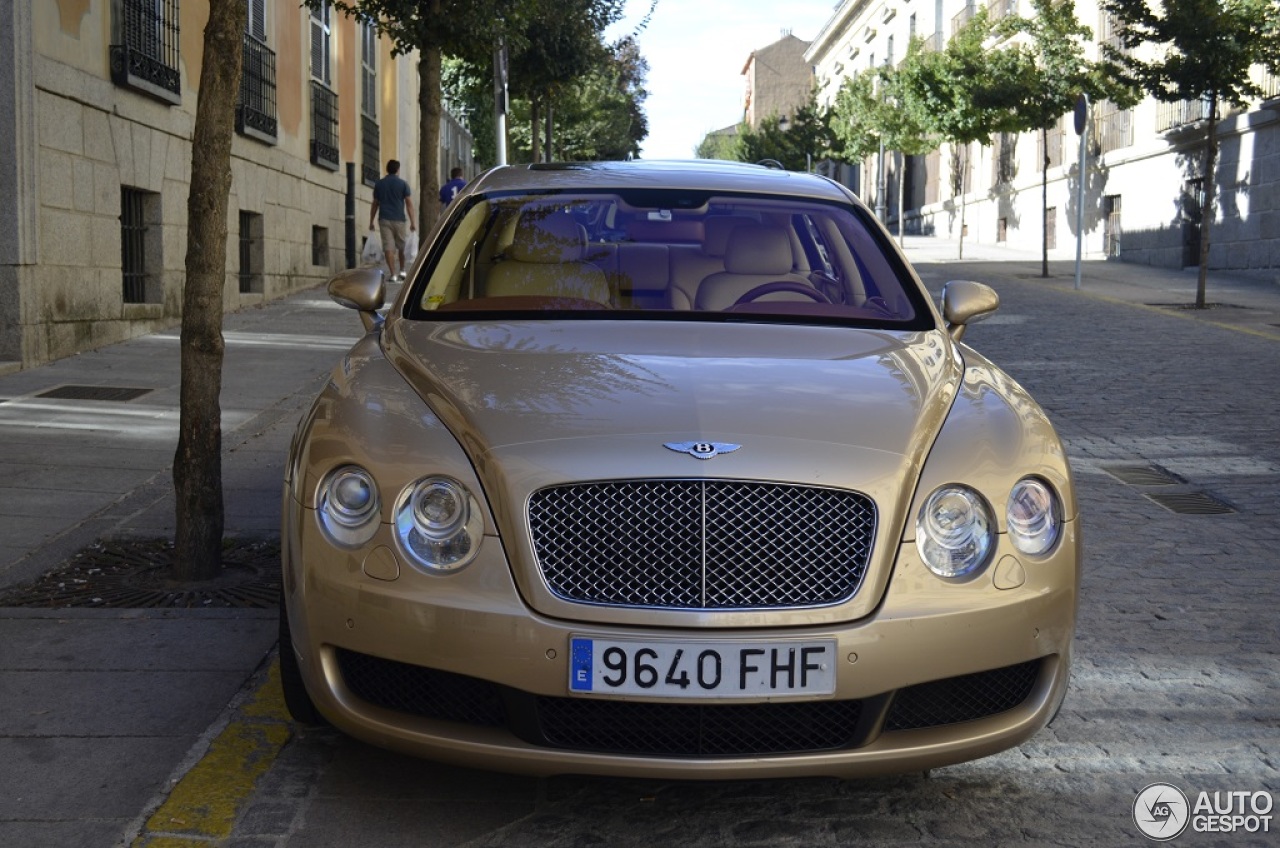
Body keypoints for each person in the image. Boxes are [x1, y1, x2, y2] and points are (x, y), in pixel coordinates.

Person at [369, 159, 416, 280]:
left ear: (387, 169)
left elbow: (375, 204)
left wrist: (371, 221)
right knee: (402, 246)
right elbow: (409, 204)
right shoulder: (403, 184)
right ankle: (402, 270)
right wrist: (413, 222)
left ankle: (393, 274)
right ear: (397, 170)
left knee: (388, 247)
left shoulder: (379, 184)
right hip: (399, 219)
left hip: (384, 219)